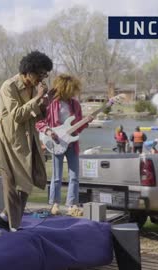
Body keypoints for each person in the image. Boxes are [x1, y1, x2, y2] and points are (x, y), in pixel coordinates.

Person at [0, 50, 53, 232]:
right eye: (40, 73)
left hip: (26, 140)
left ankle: (6, 218)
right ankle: (13, 226)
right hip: (6, 141)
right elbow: (17, 115)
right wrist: (37, 98)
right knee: (13, 184)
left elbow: (36, 117)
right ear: (28, 71)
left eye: (45, 74)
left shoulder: (33, 87)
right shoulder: (9, 86)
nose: (42, 78)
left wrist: (45, 103)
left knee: (28, 182)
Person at [36, 74, 93, 217]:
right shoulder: (51, 104)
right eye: (69, 89)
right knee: (57, 176)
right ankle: (55, 204)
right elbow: (39, 123)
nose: (72, 93)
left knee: (74, 176)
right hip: (56, 143)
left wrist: (86, 122)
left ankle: (72, 205)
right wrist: (49, 131)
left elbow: (77, 128)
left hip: (72, 144)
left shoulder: (75, 105)